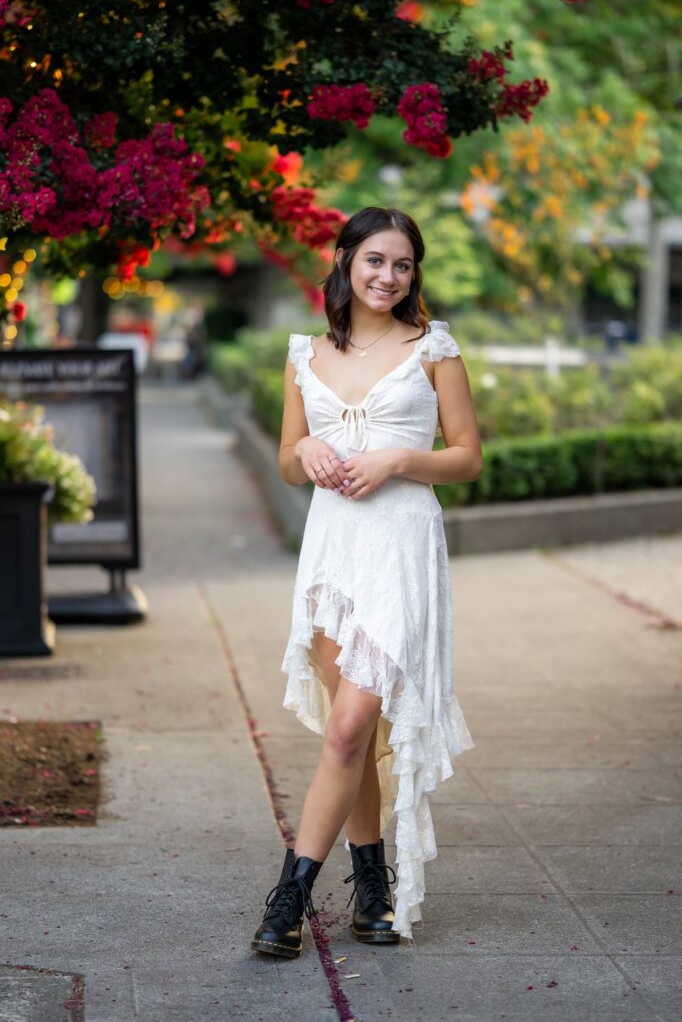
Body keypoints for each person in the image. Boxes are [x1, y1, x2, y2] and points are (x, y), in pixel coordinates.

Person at [251, 206, 481, 959]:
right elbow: (288, 461)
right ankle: (371, 886)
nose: (388, 276)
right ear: (345, 260)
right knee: (356, 735)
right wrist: (310, 447)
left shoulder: (433, 348)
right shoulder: (304, 355)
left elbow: (468, 456)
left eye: (403, 264)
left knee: (351, 726)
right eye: (375, 260)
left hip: (401, 547)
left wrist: (396, 460)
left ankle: (289, 896)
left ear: (415, 274)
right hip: (332, 555)